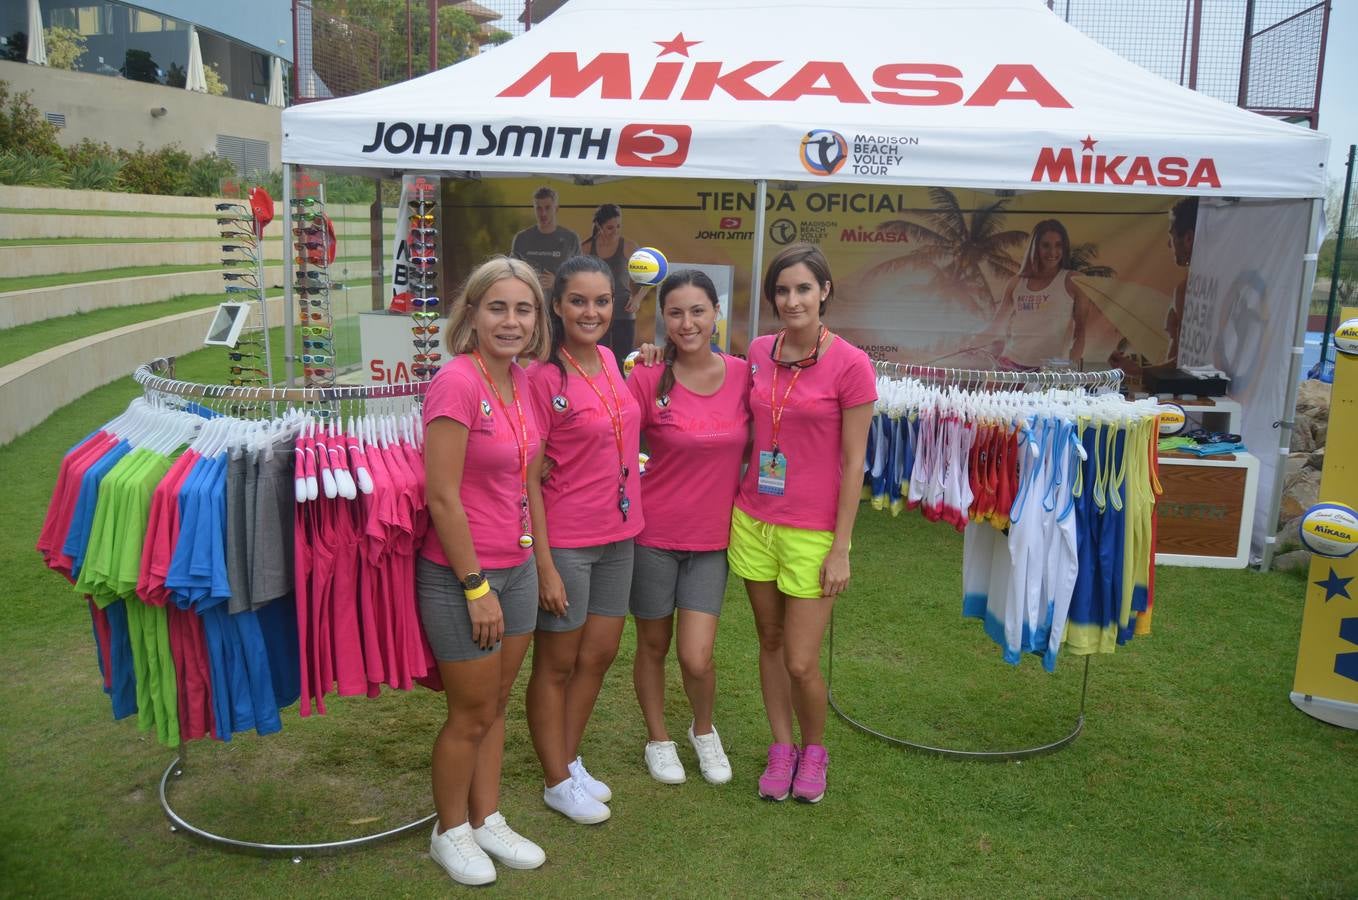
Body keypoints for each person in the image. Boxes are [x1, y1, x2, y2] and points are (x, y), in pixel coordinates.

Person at [419, 256, 552, 885]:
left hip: (519, 567)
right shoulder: (457, 381)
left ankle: (487, 815)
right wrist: (475, 586)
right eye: (497, 307)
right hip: (463, 576)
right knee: (469, 713)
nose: (510, 320)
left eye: (522, 309)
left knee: (496, 704)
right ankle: (450, 831)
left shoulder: (522, 381)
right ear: (471, 313)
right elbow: (441, 495)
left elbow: (527, 475)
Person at [730, 243, 875, 804]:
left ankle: (815, 750)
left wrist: (841, 548)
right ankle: (781, 746)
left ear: (825, 292)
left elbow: (854, 462)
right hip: (753, 519)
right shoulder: (761, 351)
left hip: (813, 532)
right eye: (782, 291)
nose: (792, 300)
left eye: (803, 289)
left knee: (800, 658)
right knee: (768, 640)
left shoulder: (851, 363)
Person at [525, 254, 644, 824]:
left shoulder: (610, 362)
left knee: (599, 655)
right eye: (578, 301)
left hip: (621, 534)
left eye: (600, 301)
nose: (590, 311)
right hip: (567, 541)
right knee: (556, 664)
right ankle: (554, 779)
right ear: (557, 306)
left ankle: (568, 761)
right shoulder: (542, 377)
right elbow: (528, 476)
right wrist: (544, 564)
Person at [625, 270, 749, 786]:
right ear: (664, 320)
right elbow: (609, 439)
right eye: (675, 312)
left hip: (710, 543)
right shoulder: (646, 377)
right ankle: (658, 738)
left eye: (698, 310)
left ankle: (704, 731)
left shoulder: (746, 374)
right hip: (652, 537)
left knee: (696, 656)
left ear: (716, 313)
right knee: (652, 646)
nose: (687, 322)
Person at [980, 219, 1095, 370]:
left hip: (1049, 370)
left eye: (1058, 245)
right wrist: (970, 342)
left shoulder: (1074, 281)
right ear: (1035, 247)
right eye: (1045, 245)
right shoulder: (1016, 283)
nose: (1052, 252)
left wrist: (1068, 368)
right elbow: (996, 326)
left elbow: (1080, 332)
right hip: (1010, 364)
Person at [581, 203, 651, 370]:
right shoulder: (585, 248)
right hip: (595, 314)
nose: (616, 231)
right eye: (610, 227)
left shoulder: (628, 246)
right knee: (595, 358)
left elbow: (653, 274)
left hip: (623, 313)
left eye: (619, 226)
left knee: (624, 362)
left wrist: (638, 299)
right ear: (599, 226)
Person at [510, 186, 582, 295]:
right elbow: (511, 272)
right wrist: (530, 281)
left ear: (556, 209)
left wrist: (557, 282)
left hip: (560, 308)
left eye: (547, 208)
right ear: (534, 209)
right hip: (528, 306)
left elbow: (580, 275)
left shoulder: (571, 239)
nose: (543, 213)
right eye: (538, 208)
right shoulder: (521, 238)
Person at [1164, 197, 1197, 366]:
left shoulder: (1187, 290)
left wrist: (1137, 371)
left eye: (1172, 236)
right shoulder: (1186, 287)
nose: (1169, 245)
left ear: (1188, 238)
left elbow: (1180, 363)